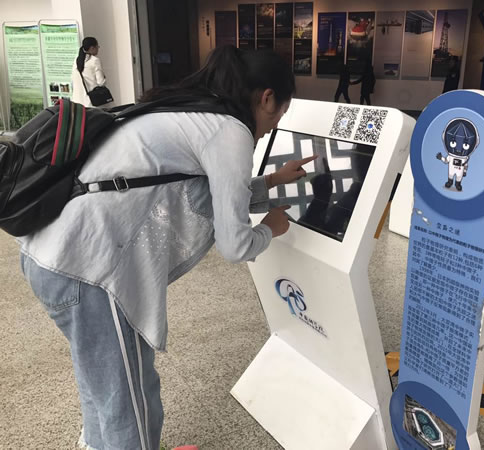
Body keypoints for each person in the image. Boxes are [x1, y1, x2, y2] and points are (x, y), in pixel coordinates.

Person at [19, 46, 314, 449]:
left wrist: (273, 180)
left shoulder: (191, 111)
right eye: (280, 113)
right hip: (90, 273)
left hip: (50, 257)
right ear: (267, 98)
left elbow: (207, 193)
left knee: (102, 387)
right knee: (129, 404)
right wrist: (270, 229)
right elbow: (235, 244)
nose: (274, 124)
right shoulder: (232, 131)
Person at [71, 36, 107, 107]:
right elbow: (101, 82)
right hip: (91, 101)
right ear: (92, 48)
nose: (98, 49)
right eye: (97, 47)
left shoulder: (76, 60)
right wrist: (105, 77)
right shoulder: (95, 60)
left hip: (77, 102)